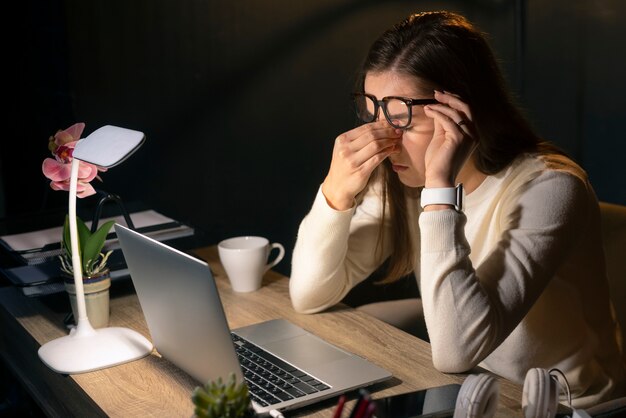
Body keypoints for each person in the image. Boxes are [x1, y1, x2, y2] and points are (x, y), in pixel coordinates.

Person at [288, 10, 625, 408]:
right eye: (372, 116)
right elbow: (309, 295)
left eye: (402, 122)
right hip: (471, 390)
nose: (383, 140)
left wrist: (440, 190)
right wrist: (335, 194)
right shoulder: (402, 177)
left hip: (564, 406)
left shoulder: (551, 189)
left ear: (461, 111)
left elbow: (456, 350)